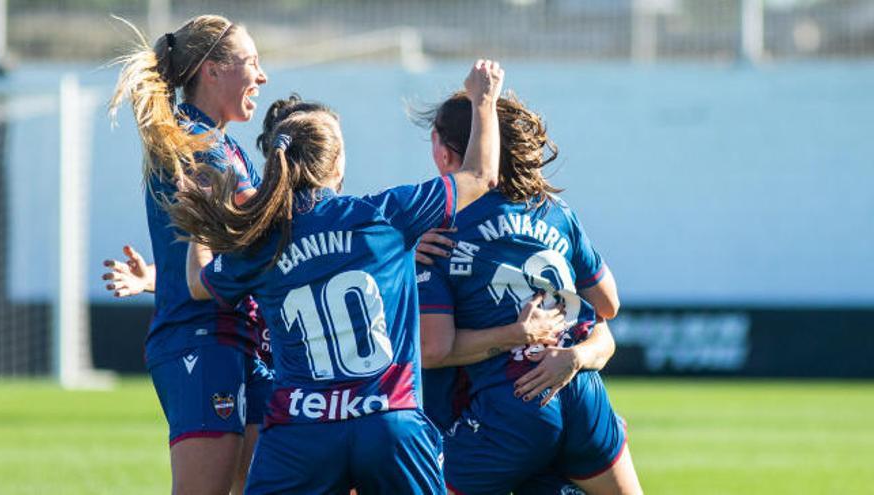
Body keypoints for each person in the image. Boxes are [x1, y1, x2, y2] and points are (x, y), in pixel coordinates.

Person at [168, 60, 504, 494]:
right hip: (389, 423)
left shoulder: (263, 240)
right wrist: (484, 100)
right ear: (337, 163)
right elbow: (481, 175)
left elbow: (200, 284)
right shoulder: (383, 215)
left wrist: (202, 221)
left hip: (300, 433)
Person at [415, 91, 643, 494]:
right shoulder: (554, 211)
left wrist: (513, 334)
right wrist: (578, 353)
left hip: (516, 399)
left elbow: (434, 350)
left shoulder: (440, 230)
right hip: (582, 391)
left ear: (447, 151)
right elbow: (608, 305)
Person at [106, 15, 271, 494]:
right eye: (252, 63)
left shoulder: (225, 144)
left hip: (244, 339)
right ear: (211, 70)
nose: (262, 76)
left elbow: (215, 251)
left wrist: (157, 277)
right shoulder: (193, 143)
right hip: (203, 339)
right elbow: (262, 222)